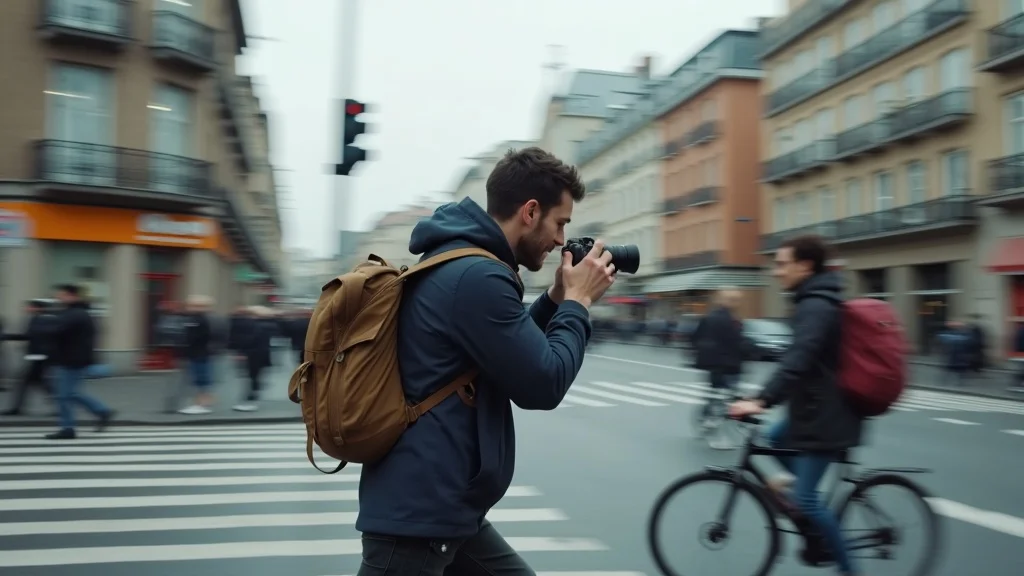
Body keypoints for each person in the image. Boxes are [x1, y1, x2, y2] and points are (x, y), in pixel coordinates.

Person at [355, 147, 616, 575]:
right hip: (419, 518)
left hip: (445, 509)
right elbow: (543, 382)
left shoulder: (463, 261)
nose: (560, 240)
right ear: (530, 212)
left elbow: (505, 347)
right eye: (560, 223)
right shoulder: (478, 275)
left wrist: (555, 298)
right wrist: (579, 302)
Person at [729, 235, 862, 576]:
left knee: (807, 500)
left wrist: (761, 400)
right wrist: (760, 396)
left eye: (782, 264)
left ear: (805, 265)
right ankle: (799, 490)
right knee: (775, 439)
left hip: (828, 416)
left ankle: (850, 569)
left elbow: (798, 360)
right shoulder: (811, 300)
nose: (776, 271)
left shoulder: (816, 305)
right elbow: (797, 361)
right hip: (813, 410)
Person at [46, 284, 114, 440]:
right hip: (71, 359)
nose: (58, 298)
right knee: (69, 394)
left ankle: (68, 428)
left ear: (73, 296)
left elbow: (56, 331)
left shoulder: (75, 314)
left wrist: (46, 323)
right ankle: (101, 411)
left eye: (62, 295)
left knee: (64, 395)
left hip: (71, 360)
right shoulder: (77, 313)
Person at [692, 288, 747, 449]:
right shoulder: (727, 319)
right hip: (727, 367)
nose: (736, 302)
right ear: (722, 300)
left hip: (717, 367)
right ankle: (716, 435)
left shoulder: (712, 317)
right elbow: (737, 342)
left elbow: (695, 339)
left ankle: (707, 421)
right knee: (722, 402)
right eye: (732, 299)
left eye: (737, 299)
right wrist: (753, 351)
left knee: (718, 398)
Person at [1, 299, 58, 416]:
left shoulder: (46, 320)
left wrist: (6, 336)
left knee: (31, 383)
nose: (26, 309)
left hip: (40, 356)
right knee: (36, 383)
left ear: (37, 308)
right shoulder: (34, 319)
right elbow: (28, 336)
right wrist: (6, 336)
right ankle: (17, 408)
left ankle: (17, 408)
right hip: (35, 356)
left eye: (30, 307)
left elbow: (36, 336)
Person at [178, 295, 215, 415]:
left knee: (200, 379)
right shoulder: (202, 319)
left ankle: (201, 404)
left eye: (191, 305)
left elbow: (191, 338)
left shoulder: (196, 320)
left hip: (197, 353)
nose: (188, 307)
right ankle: (202, 403)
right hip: (200, 352)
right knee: (200, 378)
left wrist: (184, 348)